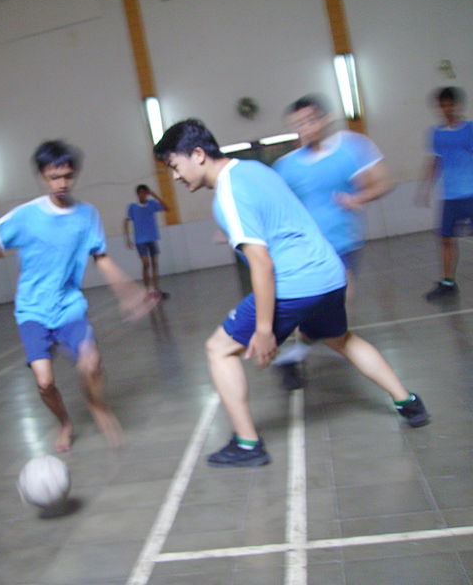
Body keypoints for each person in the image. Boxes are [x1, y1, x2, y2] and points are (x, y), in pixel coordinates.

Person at [153, 119, 430, 467]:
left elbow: (262, 265)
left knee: (219, 350)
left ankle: (247, 444)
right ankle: (408, 402)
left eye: (175, 167)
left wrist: (266, 330)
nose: (176, 177)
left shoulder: (227, 196)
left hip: (295, 282)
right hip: (329, 274)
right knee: (341, 338)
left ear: (197, 154)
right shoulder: (255, 169)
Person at [0, 140, 155, 452]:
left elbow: (102, 259)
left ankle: (97, 405)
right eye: (54, 177)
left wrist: (129, 290)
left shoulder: (87, 216)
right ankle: (65, 423)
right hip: (32, 310)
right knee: (44, 382)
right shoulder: (25, 216)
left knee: (92, 364)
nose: (61, 184)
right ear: (42, 177)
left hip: (69, 306)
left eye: (67, 176)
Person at [271, 95, 393, 386]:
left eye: (310, 120)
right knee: (323, 308)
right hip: (307, 250)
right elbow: (272, 204)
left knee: (335, 306)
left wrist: (358, 197)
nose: (305, 128)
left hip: (345, 244)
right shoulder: (285, 166)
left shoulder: (353, 146)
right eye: (298, 125)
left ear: (325, 119)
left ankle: (294, 355)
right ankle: (297, 354)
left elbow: (383, 181)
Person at [416, 86, 473, 300]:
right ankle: (448, 282)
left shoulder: (469, 129)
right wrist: (425, 187)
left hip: (471, 193)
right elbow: (435, 161)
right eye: (443, 105)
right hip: (450, 196)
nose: (447, 109)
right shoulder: (436, 134)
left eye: (451, 104)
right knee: (445, 238)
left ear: (458, 106)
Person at [124, 184, 170, 298]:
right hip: (140, 240)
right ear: (137, 194)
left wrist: (155, 195)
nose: (143, 195)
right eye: (141, 193)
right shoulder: (133, 207)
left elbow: (167, 208)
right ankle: (146, 291)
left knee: (154, 264)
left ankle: (156, 290)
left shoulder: (152, 204)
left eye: (145, 193)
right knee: (146, 264)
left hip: (152, 238)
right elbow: (126, 221)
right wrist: (128, 239)